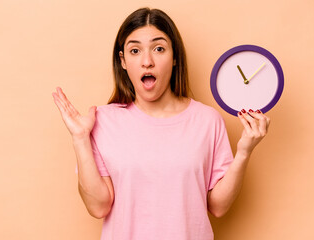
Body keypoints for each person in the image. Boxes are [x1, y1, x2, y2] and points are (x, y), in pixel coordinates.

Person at [52, 7, 270, 240]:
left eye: (159, 48)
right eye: (135, 50)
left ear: (175, 57)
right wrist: (80, 139)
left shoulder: (208, 120)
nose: (147, 61)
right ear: (123, 61)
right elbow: (98, 207)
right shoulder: (103, 121)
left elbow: (218, 206)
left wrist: (245, 151)